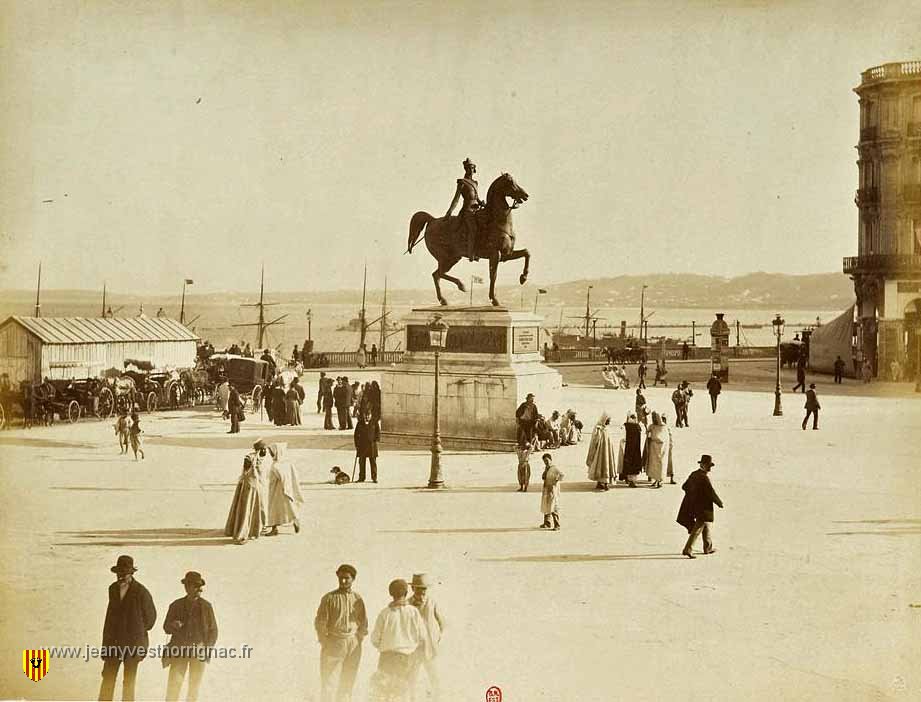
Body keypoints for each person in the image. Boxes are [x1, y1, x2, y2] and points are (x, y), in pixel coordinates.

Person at [98, 555, 157, 701]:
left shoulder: (141, 591)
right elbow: (109, 619)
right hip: (113, 644)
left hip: (133, 645)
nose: (121, 576)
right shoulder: (112, 589)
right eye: (119, 572)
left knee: (129, 683)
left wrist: (136, 630)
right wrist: (106, 645)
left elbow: (151, 619)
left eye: (124, 572)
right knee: (108, 678)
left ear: (131, 573)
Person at [163, 571, 218, 702]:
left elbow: (214, 631)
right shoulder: (176, 605)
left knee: (193, 689)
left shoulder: (206, 607)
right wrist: (173, 625)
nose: (200, 589)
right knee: (174, 686)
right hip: (179, 651)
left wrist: (206, 648)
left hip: (198, 652)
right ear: (187, 587)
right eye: (196, 586)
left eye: (200, 586)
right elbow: (166, 627)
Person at [315, 564, 368, 702]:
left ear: (353, 579)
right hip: (334, 643)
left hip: (353, 644)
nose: (343, 581)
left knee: (348, 682)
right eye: (341, 578)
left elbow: (364, 622)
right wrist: (325, 642)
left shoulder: (358, 599)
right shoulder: (329, 598)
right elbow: (320, 622)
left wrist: (358, 639)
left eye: (347, 578)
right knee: (329, 683)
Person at [369, 579, 427, 701]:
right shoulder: (413, 612)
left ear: (391, 593)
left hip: (386, 658)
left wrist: (386, 645)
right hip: (407, 658)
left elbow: (374, 639)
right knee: (402, 694)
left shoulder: (384, 613)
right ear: (406, 593)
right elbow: (422, 636)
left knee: (384, 694)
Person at [676, 454, 724, 558]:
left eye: (710, 466)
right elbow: (711, 493)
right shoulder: (704, 478)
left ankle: (708, 547)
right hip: (703, 508)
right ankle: (688, 549)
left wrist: (693, 495)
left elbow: (684, 486)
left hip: (695, 506)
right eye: (708, 466)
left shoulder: (694, 474)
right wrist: (719, 502)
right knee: (698, 528)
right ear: (702, 465)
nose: (709, 468)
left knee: (706, 525)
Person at [408, 573, 445, 701]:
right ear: (412, 588)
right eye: (418, 588)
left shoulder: (432, 602)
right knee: (412, 676)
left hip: (429, 647)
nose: (422, 592)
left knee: (434, 675)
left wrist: (437, 638)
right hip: (414, 648)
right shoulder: (407, 604)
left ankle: (437, 698)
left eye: (424, 588)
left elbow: (442, 623)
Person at [224, 441, 268, 545]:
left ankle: (255, 529)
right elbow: (246, 472)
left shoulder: (263, 459)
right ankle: (243, 534)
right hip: (250, 486)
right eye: (263, 449)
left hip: (258, 487)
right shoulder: (249, 458)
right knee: (247, 510)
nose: (265, 451)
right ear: (259, 450)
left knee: (256, 509)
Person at [444, 157, 485, 262]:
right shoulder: (462, 182)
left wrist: (481, 202)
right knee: (473, 228)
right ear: (465, 169)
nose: (470, 169)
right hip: (467, 211)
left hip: (477, 210)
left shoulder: (475, 183)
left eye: (472, 167)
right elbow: (456, 199)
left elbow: (476, 197)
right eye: (468, 168)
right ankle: (471, 253)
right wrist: (449, 211)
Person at [265, 443, 303, 535]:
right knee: (289, 506)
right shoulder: (287, 463)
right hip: (285, 489)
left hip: (277, 490)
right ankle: (295, 520)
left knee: (273, 509)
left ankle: (274, 529)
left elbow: (281, 478)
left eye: (271, 452)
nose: (270, 454)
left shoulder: (276, 466)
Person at [585, 412, 616, 491]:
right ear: (604, 419)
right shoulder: (598, 428)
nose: (609, 422)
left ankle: (601, 483)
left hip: (607, 451)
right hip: (600, 451)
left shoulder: (606, 428)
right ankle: (604, 484)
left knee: (605, 465)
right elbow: (595, 440)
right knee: (601, 466)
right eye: (608, 420)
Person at [644, 412, 670, 488]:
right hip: (653, 448)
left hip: (661, 449)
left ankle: (660, 480)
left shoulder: (664, 427)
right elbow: (648, 433)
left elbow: (664, 438)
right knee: (653, 464)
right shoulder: (652, 426)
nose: (654, 419)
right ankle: (656, 479)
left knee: (661, 464)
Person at [618, 413, 643, 486]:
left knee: (628, 464)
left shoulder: (626, 426)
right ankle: (631, 481)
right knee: (633, 464)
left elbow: (623, 438)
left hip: (629, 449)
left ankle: (629, 480)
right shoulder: (637, 426)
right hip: (634, 449)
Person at [354, 410, 379, 483]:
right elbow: (356, 435)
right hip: (362, 446)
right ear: (364, 416)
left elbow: (378, 433)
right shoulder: (360, 423)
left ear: (371, 415)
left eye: (369, 415)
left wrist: (375, 440)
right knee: (361, 462)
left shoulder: (374, 422)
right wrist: (357, 445)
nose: (367, 417)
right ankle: (361, 477)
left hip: (372, 446)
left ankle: (374, 478)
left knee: (373, 462)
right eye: (366, 415)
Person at [539, 453, 563, 530]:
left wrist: (556, 481)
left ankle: (557, 525)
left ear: (551, 460)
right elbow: (543, 477)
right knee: (546, 505)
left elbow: (561, 475)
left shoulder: (554, 468)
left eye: (547, 460)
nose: (546, 462)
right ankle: (547, 523)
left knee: (553, 506)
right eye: (544, 461)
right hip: (547, 489)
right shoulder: (547, 468)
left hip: (552, 490)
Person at [662, 415, 676, 484]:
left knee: (669, 462)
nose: (664, 420)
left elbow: (670, 438)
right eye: (663, 419)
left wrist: (671, 446)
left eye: (664, 419)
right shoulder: (661, 427)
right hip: (663, 447)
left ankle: (671, 478)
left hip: (668, 447)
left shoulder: (667, 427)